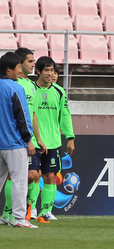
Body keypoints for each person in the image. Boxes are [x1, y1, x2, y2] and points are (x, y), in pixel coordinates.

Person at [33, 57, 75, 223]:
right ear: (38, 72)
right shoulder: (30, 90)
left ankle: (46, 211)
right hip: (34, 142)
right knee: (33, 176)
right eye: (46, 70)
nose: (50, 74)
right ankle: (32, 209)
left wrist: (70, 137)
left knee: (50, 176)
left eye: (52, 70)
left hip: (53, 142)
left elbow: (65, 116)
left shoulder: (59, 92)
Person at [0, 52, 37, 228]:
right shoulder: (16, 88)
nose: (20, 71)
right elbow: (22, 116)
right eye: (18, 67)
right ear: (9, 69)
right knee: (20, 181)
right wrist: (29, 140)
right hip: (14, 144)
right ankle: (19, 218)